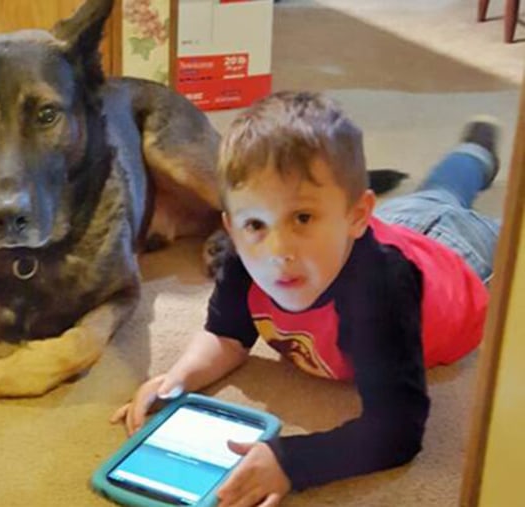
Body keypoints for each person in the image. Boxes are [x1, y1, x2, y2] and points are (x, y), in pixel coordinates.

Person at [110, 91, 500, 506]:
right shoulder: (245, 257)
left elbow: (398, 430)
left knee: (455, 205)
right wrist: (179, 379)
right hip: (387, 226)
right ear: (230, 226)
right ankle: (473, 152)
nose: (278, 250)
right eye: (256, 223)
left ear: (357, 215)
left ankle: (475, 153)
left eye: (302, 217)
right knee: (436, 190)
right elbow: (226, 337)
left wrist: (293, 462)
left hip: (454, 251)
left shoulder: (380, 290)